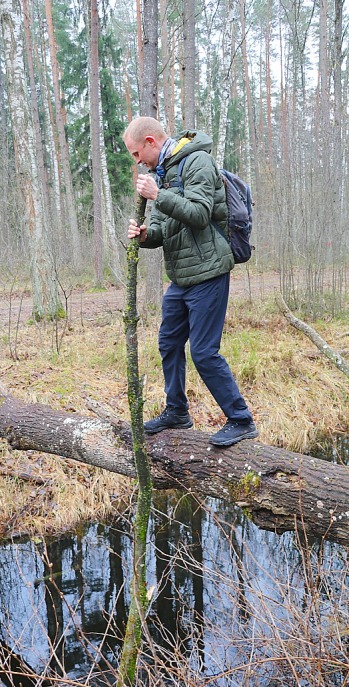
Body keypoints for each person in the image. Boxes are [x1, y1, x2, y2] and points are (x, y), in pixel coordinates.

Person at [123, 116, 258, 447]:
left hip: (209, 272)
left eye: (137, 153)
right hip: (181, 278)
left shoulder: (197, 160)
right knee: (168, 343)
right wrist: (143, 236)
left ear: (151, 142)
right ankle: (177, 411)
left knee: (203, 352)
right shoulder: (163, 174)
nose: (136, 162)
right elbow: (164, 229)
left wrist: (158, 195)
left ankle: (241, 419)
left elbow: (198, 214)